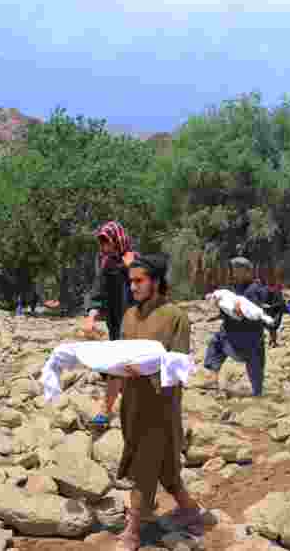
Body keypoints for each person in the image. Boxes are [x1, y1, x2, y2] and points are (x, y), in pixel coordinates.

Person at [113, 253, 204, 551]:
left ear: (156, 281)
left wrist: (148, 368)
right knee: (165, 469)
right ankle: (190, 511)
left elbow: (179, 368)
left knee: (144, 466)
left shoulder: (176, 317)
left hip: (161, 407)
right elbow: (119, 361)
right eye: (131, 282)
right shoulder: (128, 316)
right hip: (133, 404)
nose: (133, 287)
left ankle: (133, 529)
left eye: (139, 281)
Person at [82, 221, 137, 426]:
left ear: (118, 240)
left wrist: (132, 267)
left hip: (139, 324)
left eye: (107, 242)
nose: (104, 247)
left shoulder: (136, 260)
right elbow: (98, 293)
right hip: (117, 324)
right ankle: (110, 408)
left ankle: (109, 410)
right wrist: (90, 317)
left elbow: (149, 287)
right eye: (102, 242)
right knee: (117, 366)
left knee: (127, 366)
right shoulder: (106, 265)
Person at [202, 257, 270, 397]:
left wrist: (241, 311)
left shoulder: (256, 289)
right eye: (234, 271)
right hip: (230, 334)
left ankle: (258, 396)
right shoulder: (233, 289)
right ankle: (213, 380)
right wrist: (218, 302)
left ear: (248, 272)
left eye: (238, 271)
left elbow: (257, 312)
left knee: (256, 371)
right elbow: (226, 307)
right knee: (216, 344)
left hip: (251, 339)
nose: (235, 274)